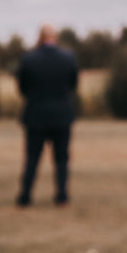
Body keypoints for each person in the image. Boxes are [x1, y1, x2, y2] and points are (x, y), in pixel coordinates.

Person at [16, 24, 79, 207]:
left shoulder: (29, 59)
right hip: (61, 115)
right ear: (55, 37)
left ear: (40, 37)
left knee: (32, 158)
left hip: (36, 116)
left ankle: (25, 196)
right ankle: (62, 196)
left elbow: (22, 87)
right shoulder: (68, 58)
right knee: (61, 159)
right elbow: (73, 85)